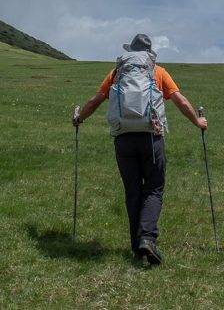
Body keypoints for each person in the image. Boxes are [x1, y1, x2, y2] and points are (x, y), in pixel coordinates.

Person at [72, 33, 207, 264]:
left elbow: (95, 101)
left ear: (130, 52)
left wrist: (79, 118)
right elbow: (180, 101)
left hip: (123, 139)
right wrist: (198, 122)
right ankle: (147, 238)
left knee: (132, 191)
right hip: (150, 138)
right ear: (148, 53)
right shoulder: (158, 72)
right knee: (153, 188)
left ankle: (137, 247)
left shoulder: (116, 73)